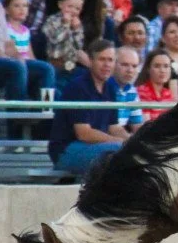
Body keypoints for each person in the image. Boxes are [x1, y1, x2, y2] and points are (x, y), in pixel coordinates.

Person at [48, 39, 127, 174]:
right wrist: (120, 142)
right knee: (119, 151)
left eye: (110, 60)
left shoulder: (110, 88)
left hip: (96, 147)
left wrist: (133, 140)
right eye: (102, 59)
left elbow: (114, 127)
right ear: (90, 61)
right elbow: (84, 133)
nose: (107, 64)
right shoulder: (78, 87)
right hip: (67, 150)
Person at [40, 0, 97, 85]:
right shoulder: (52, 20)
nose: (73, 11)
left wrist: (76, 30)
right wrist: (66, 24)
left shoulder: (76, 23)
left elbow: (78, 45)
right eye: (70, 6)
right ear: (60, 5)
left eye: (77, 9)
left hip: (70, 66)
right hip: (55, 64)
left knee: (87, 78)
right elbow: (56, 39)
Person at [136, 48, 177, 119]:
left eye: (166, 66)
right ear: (148, 69)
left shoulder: (168, 93)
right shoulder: (141, 91)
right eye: (157, 66)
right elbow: (146, 122)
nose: (162, 70)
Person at [111, 45, 145, 132]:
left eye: (134, 66)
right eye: (125, 65)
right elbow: (110, 128)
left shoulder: (132, 90)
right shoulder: (103, 88)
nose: (130, 70)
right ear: (113, 64)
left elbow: (137, 125)